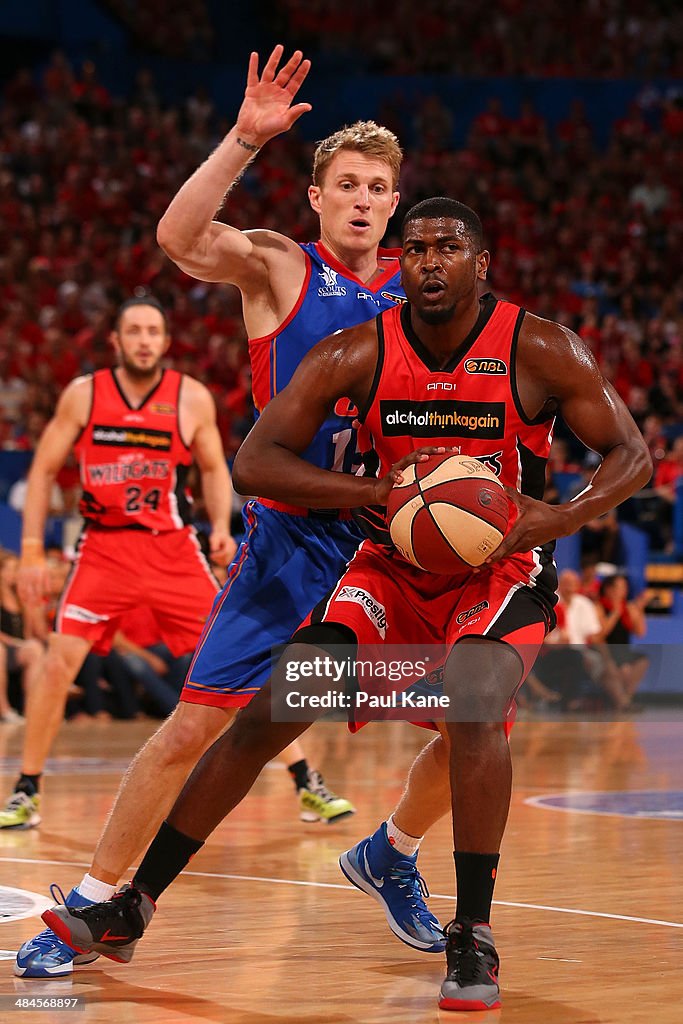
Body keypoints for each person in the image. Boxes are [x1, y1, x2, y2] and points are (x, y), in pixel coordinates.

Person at [42, 198, 651, 1011]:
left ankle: (472, 935)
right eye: (416, 249)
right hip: (389, 568)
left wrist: (561, 514)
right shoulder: (358, 350)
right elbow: (259, 460)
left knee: (469, 705)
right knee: (275, 707)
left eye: (448, 248)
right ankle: (133, 905)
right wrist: (370, 491)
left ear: (482, 262)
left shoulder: (536, 346)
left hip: (499, 575)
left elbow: (631, 454)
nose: (429, 261)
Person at [15, 46, 419, 979]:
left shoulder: (418, 289)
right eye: (347, 184)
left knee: (475, 709)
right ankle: (90, 899)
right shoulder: (283, 265)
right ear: (317, 198)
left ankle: (391, 853)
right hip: (291, 542)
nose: (363, 199)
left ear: (395, 203)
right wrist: (245, 139)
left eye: (379, 187)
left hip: (389, 544)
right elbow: (179, 239)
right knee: (195, 727)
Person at [0, 295, 232, 834]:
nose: (145, 340)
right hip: (103, 549)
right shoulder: (84, 396)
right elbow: (40, 472)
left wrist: (220, 526)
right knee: (58, 664)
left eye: (154, 330)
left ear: (166, 342)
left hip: (172, 547)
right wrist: (32, 549)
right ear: (117, 341)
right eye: (134, 331)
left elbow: (215, 469)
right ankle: (26, 787)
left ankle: (304, 779)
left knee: (231, 658)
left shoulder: (190, 398)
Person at [597, 573, 649, 709]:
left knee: (642, 661)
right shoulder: (600, 606)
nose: (624, 591)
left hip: (623, 651)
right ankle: (622, 702)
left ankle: (625, 699)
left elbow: (640, 632)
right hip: (606, 651)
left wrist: (640, 609)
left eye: (625, 588)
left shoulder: (628, 608)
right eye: (620, 587)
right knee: (623, 670)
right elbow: (602, 634)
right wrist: (615, 613)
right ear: (608, 589)